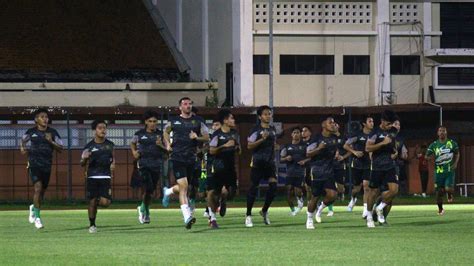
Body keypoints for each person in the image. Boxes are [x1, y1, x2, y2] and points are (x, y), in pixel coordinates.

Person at [161, 97, 210, 229]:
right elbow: (165, 131)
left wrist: (197, 137)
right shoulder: (174, 121)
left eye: (189, 104)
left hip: (192, 158)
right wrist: (167, 144)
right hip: (177, 157)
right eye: (185, 104)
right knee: (184, 186)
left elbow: (207, 137)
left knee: (189, 187)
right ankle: (187, 216)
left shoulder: (198, 121)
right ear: (180, 107)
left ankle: (169, 191)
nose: (188, 106)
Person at [21, 108, 63, 229]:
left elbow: (61, 148)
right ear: (36, 119)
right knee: (38, 189)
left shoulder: (53, 132)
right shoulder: (31, 131)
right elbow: (23, 141)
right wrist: (22, 148)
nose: (45, 119)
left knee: (41, 193)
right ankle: (38, 219)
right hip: (34, 164)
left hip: (47, 165)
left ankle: (33, 207)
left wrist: (51, 141)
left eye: (46, 117)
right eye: (42, 117)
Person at [131, 110, 167, 224]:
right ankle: (144, 210)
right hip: (143, 165)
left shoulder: (161, 135)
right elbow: (132, 143)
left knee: (150, 191)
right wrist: (134, 152)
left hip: (156, 165)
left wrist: (161, 146)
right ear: (146, 122)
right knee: (148, 188)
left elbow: (168, 151)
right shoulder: (139, 134)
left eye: (155, 121)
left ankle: (144, 208)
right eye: (150, 121)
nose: (152, 123)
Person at [365, 110, 399, 228]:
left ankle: (379, 208)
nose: (391, 126)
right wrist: (382, 143)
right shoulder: (374, 132)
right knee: (373, 193)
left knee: (394, 190)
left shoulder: (393, 131)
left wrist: (395, 151)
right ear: (382, 121)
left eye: (392, 123)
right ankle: (369, 217)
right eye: (388, 124)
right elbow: (368, 148)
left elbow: (393, 143)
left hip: (390, 165)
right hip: (377, 166)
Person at [206, 109, 240, 228]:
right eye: (231, 118)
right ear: (225, 121)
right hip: (218, 166)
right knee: (212, 192)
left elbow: (238, 149)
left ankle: (223, 201)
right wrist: (224, 146)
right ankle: (213, 218)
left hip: (230, 167)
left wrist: (237, 148)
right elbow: (211, 150)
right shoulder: (217, 134)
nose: (233, 120)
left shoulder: (235, 133)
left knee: (232, 192)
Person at [245, 105, 278, 227]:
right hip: (258, 162)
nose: (268, 116)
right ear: (260, 116)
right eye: (265, 114)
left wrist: (275, 147)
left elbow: (273, 143)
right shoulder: (255, 130)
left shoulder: (273, 129)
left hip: (270, 163)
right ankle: (248, 215)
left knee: (273, 187)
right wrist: (261, 140)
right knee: (253, 188)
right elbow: (249, 146)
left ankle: (264, 210)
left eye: (269, 114)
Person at [80, 120, 115, 233]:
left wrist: (113, 164)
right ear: (95, 130)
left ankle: (94, 200)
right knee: (92, 201)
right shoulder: (89, 146)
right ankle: (92, 225)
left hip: (105, 177)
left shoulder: (110, 144)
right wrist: (84, 158)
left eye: (104, 128)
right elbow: (82, 163)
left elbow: (112, 158)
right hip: (92, 177)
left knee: (106, 203)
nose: (103, 130)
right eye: (100, 128)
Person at [305, 117, 339, 229]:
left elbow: (335, 150)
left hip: (329, 171)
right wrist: (319, 149)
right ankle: (309, 219)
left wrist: (337, 155)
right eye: (330, 123)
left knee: (333, 195)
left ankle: (320, 209)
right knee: (315, 196)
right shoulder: (316, 138)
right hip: (317, 171)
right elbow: (308, 154)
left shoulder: (334, 138)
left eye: (334, 122)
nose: (333, 124)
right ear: (323, 125)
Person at [344, 115, 374, 218]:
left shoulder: (374, 135)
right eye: (370, 121)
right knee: (356, 188)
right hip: (357, 164)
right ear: (364, 124)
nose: (372, 123)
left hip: (368, 164)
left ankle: (365, 209)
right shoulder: (357, 135)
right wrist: (354, 152)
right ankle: (353, 199)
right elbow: (346, 145)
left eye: (372, 121)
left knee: (366, 186)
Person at [425, 126, 459, 215]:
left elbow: (457, 153)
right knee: (438, 193)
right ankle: (440, 209)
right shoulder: (434, 144)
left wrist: (455, 163)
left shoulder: (451, 143)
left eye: (443, 131)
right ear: (437, 133)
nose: (442, 132)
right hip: (438, 172)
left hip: (449, 171)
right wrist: (430, 159)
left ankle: (449, 194)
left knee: (448, 188)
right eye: (440, 131)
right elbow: (426, 156)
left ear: (446, 132)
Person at [280, 127, 307, 216]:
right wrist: (286, 158)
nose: (296, 134)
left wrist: (304, 161)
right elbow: (281, 159)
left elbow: (310, 157)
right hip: (290, 172)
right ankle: (292, 210)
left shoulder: (304, 146)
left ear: (300, 134)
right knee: (288, 192)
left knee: (297, 191)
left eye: (298, 132)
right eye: (294, 132)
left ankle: (300, 198)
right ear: (291, 135)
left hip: (300, 172)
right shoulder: (287, 146)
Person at [327, 122, 351, 216]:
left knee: (340, 187)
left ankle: (341, 192)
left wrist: (343, 157)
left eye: (335, 125)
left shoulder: (344, 137)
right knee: (330, 187)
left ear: (339, 126)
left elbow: (350, 150)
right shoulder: (328, 138)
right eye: (331, 125)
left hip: (340, 165)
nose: (333, 126)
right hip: (329, 165)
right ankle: (330, 209)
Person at [393, 120, 409, 195]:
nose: (398, 126)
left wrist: (404, 154)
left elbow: (403, 152)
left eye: (399, 125)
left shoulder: (400, 139)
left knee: (394, 187)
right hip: (384, 164)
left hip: (395, 164)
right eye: (395, 124)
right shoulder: (385, 136)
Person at [301, 125, 313, 205]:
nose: (303, 133)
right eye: (302, 131)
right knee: (304, 187)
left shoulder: (312, 143)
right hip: (300, 168)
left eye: (305, 131)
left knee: (310, 187)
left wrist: (305, 160)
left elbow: (314, 156)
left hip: (310, 167)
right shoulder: (299, 143)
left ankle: (311, 202)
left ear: (310, 133)